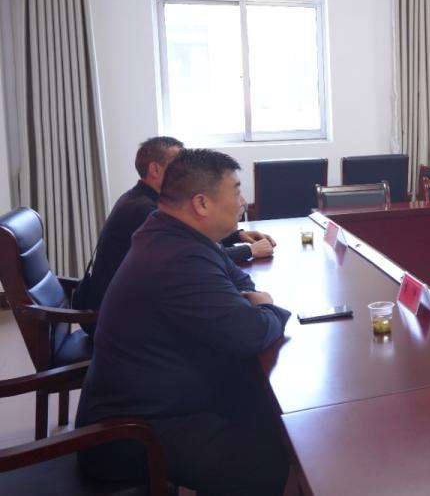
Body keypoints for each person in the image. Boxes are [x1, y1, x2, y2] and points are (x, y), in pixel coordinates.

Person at [75, 149, 292, 495]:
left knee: (266, 408)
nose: (243, 202)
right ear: (201, 203)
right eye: (236, 191)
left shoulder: (173, 231)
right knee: (271, 457)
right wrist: (266, 307)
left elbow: (239, 280)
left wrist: (248, 301)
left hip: (161, 397)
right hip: (131, 432)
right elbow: (251, 333)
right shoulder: (176, 257)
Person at [73, 136, 275, 329]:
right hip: (116, 320)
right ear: (155, 169)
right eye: (177, 163)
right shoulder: (146, 211)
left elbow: (199, 243)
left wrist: (236, 236)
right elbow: (197, 256)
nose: (185, 170)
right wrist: (249, 251)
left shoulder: (139, 198)